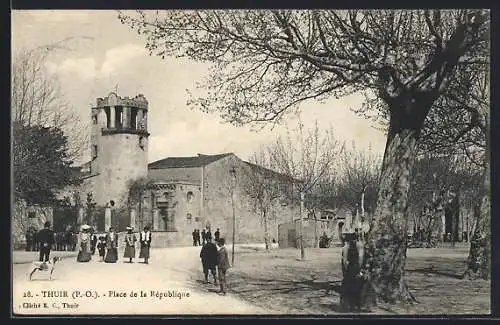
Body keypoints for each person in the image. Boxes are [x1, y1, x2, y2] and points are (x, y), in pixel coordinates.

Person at [340, 232, 364, 312]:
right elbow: (361, 259)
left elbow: (344, 260)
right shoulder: (360, 246)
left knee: (349, 286)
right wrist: (360, 269)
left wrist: (345, 270)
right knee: (357, 286)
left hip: (350, 268)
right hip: (356, 268)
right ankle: (357, 305)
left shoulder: (346, 247)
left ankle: (351, 305)